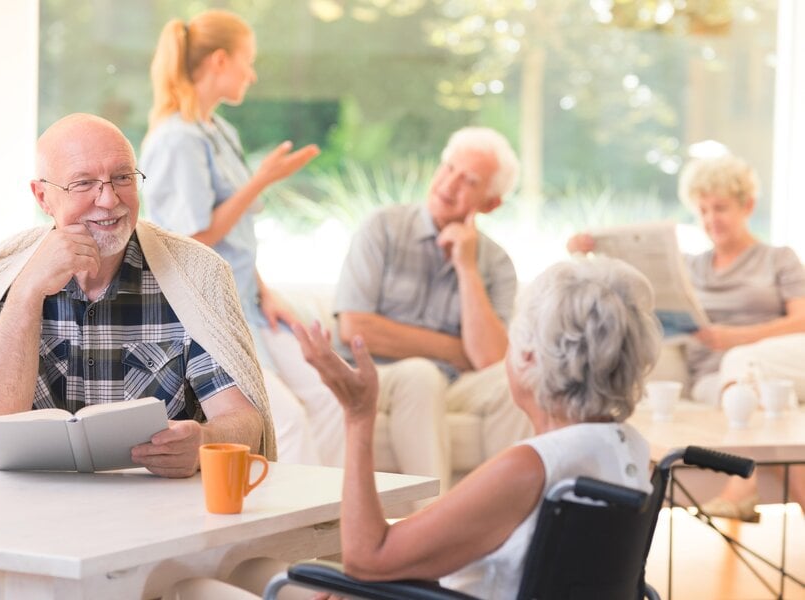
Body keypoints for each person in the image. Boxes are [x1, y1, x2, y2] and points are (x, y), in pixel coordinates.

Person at [293, 256, 661, 598]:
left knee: (271, 580)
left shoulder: (531, 467)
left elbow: (366, 558)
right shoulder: (631, 450)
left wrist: (359, 415)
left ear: (528, 357)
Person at [0, 113, 276, 477]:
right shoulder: (1, 276)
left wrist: (203, 442)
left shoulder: (197, 274)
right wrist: (28, 291)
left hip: (159, 512)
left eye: (122, 178)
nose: (107, 200)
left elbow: (245, 420)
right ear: (43, 197)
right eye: (84, 183)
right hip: (30, 511)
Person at [139, 9, 335, 466]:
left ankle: (335, 519)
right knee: (283, 419)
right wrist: (260, 180)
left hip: (248, 299)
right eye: (248, 60)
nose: (253, 72)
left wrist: (267, 292)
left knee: (328, 395)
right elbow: (192, 239)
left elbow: (237, 238)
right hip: (210, 309)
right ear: (220, 61)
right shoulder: (177, 139)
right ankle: (293, 522)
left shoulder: (219, 130)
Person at [567, 153, 805, 520]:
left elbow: (801, 321)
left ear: (748, 206)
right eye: (703, 210)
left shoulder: (778, 258)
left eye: (721, 208)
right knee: (747, 393)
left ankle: (742, 485)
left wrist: (737, 337)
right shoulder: (690, 267)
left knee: (742, 363)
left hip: (776, 366)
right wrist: (589, 255)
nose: (711, 219)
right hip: (712, 380)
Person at [333, 126, 533, 491]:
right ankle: (432, 525)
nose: (449, 183)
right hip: (378, 376)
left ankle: (508, 518)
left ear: (491, 203)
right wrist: (455, 350)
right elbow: (355, 329)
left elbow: (490, 359)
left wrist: (467, 268)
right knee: (421, 375)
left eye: (469, 180)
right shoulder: (384, 228)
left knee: (516, 376)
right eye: (448, 167)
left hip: (452, 383)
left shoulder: (497, 263)